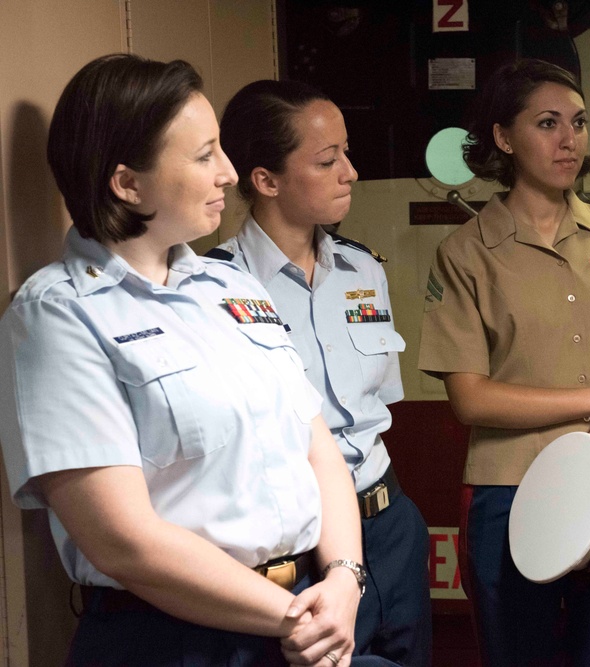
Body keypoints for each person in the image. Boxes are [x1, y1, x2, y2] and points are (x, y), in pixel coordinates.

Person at [0, 53, 382, 667]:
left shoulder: (230, 288)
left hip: (305, 613)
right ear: (128, 183)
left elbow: (319, 450)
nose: (229, 174)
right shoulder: (58, 313)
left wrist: (342, 581)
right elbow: (123, 541)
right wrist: (302, 618)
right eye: (205, 156)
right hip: (173, 638)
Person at [418, 58, 590, 667]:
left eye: (579, 122)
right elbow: (471, 398)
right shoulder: (465, 254)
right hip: (512, 489)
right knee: (520, 653)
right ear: (504, 139)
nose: (570, 139)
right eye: (547, 123)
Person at [212, 79, 432, 667]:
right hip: (298, 544)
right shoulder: (216, 288)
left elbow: (381, 399)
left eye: (348, 153)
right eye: (327, 160)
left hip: (390, 524)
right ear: (265, 180)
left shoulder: (362, 270)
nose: (351, 172)